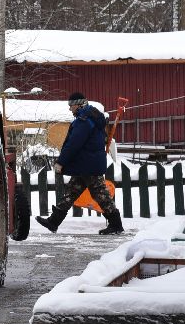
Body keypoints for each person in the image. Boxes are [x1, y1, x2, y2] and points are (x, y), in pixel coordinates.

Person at [36, 93, 124, 235]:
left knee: (100, 194)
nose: (70, 109)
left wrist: (61, 162)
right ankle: (53, 222)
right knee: (71, 192)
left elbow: (73, 144)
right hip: (86, 163)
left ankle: (116, 224)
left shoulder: (84, 120)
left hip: (88, 164)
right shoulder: (91, 117)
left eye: (71, 105)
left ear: (79, 104)